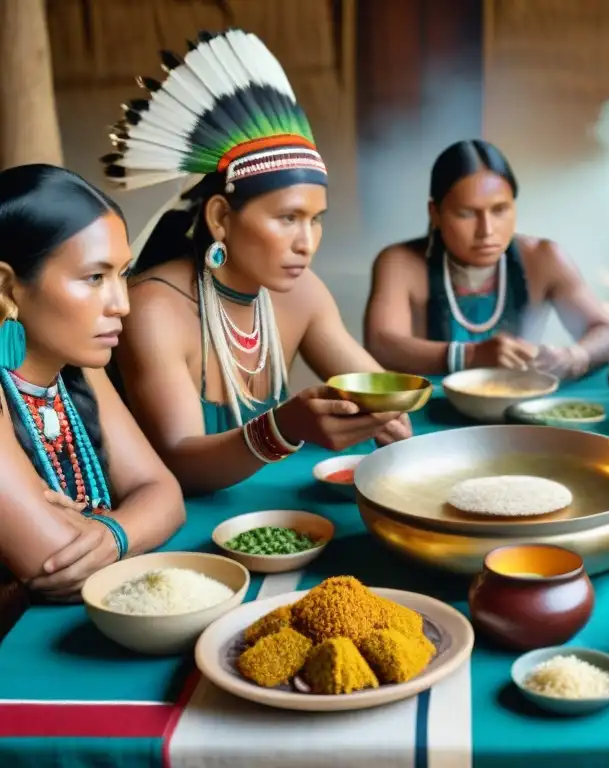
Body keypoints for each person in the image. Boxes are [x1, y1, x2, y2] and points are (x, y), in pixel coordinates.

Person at [105, 30, 411, 497]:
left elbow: (383, 395)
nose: (306, 243)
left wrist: (384, 412)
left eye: (315, 220)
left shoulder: (302, 293)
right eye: (288, 218)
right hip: (179, 532)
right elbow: (181, 462)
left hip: (277, 514)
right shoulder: (155, 310)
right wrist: (284, 427)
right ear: (221, 217)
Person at [0, 164, 185, 610]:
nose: (121, 304)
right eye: (94, 278)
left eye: (123, 273)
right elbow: (53, 561)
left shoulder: (77, 367)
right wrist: (123, 520)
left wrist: (111, 532)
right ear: (7, 286)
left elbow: (165, 494)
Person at [363, 139, 609, 378]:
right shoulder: (401, 263)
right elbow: (382, 344)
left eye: (500, 210)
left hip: (520, 410)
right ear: (435, 213)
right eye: (466, 214)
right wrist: (471, 356)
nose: (487, 231)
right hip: (428, 412)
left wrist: (574, 357)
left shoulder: (543, 258)